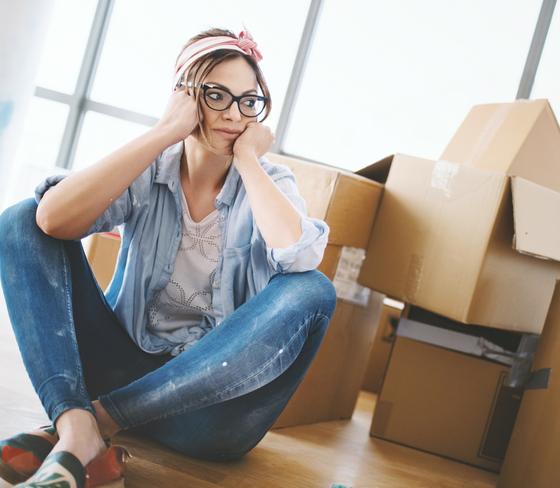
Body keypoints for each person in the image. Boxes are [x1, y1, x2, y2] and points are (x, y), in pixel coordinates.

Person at [0, 26, 336, 487]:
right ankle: (79, 432)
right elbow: (52, 220)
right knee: (21, 218)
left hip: (208, 413)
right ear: (185, 96)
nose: (234, 114)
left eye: (248, 101)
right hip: (117, 372)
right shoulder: (152, 169)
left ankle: (92, 425)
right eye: (216, 95)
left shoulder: (268, 181)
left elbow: (298, 256)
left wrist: (250, 163)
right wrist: (163, 133)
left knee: (312, 289)